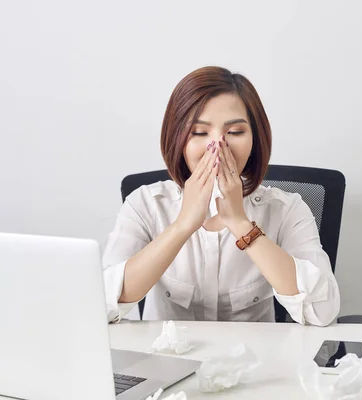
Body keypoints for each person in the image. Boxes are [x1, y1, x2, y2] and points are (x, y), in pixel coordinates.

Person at [103, 66, 340, 326]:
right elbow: (100, 306)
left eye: (235, 132)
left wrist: (241, 224)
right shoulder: (145, 204)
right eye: (200, 133)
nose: (217, 147)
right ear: (177, 139)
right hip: (167, 358)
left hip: (255, 361)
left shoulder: (287, 209)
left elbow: (323, 312)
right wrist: (183, 225)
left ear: (255, 140)